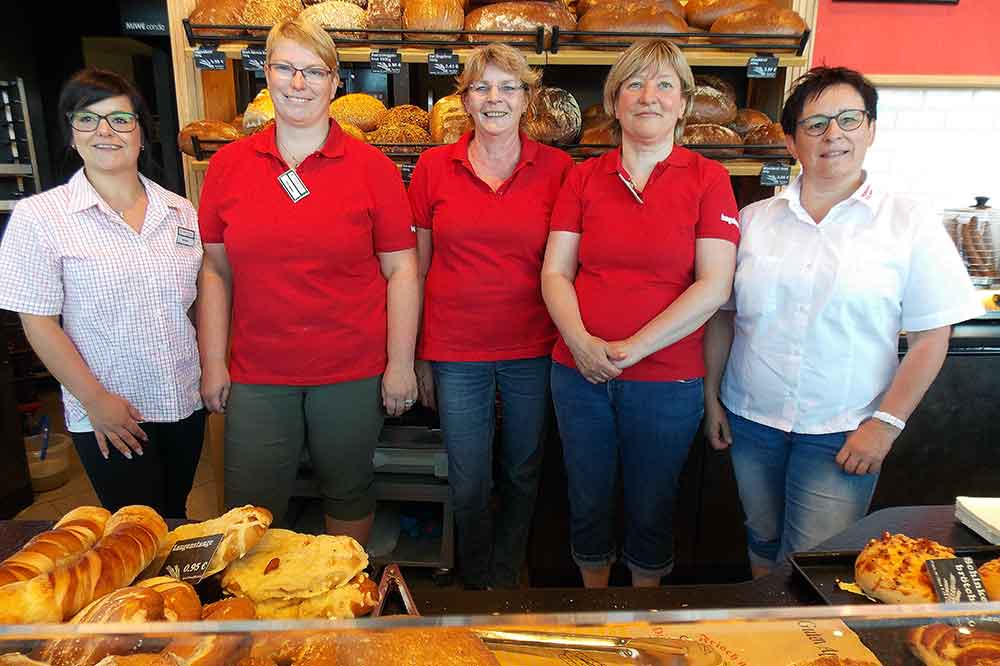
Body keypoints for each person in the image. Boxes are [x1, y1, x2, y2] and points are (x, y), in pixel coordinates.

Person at [702, 66, 983, 577]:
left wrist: (886, 425)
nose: (834, 135)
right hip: (752, 421)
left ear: (870, 130)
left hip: (843, 432)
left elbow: (931, 337)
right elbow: (722, 319)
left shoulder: (908, 221)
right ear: (790, 140)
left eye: (849, 120)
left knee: (814, 564)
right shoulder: (753, 221)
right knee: (761, 542)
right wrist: (711, 398)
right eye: (815, 125)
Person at [196, 17, 419, 542]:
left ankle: (339, 608)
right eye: (285, 68)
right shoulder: (228, 168)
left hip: (351, 369)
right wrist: (212, 363)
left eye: (313, 71)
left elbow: (402, 268)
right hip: (257, 372)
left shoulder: (373, 169)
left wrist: (400, 364)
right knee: (249, 507)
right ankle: (256, 617)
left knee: (347, 490)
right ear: (266, 74)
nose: (298, 83)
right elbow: (214, 270)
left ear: (335, 81)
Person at [541, 39, 739, 588]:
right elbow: (556, 271)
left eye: (664, 85)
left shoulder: (708, 179)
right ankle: (594, 612)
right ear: (614, 101)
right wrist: (580, 341)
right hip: (577, 372)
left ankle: (642, 614)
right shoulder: (584, 177)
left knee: (653, 504)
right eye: (634, 83)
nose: (648, 96)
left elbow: (714, 284)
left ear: (683, 103)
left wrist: (634, 348)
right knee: (585, 497)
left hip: (667, 378)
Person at [0, 68, 205, 517]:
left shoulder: (180, 212)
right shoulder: (41, 218)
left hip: (183, 401)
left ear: (141, 133)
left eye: (119, 119)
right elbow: (38, 323)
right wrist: (95, 401)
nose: (104, 131)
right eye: (87, 120)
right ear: (71, 134)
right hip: (111, 412)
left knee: (174, 517)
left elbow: (193, 305)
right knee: (133, 530)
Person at [408, 43, 573, 590]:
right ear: (465, 99)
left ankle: (508, 571)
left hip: (533, 347)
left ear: (527, 99)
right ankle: (477, 578)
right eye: (482, 87)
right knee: (469, 475)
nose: (494, 98)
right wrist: (419, 356)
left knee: (524, 471)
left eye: (508, 87)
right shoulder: (434, 167)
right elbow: (420, 267)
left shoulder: (558, 170)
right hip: (456, 352)